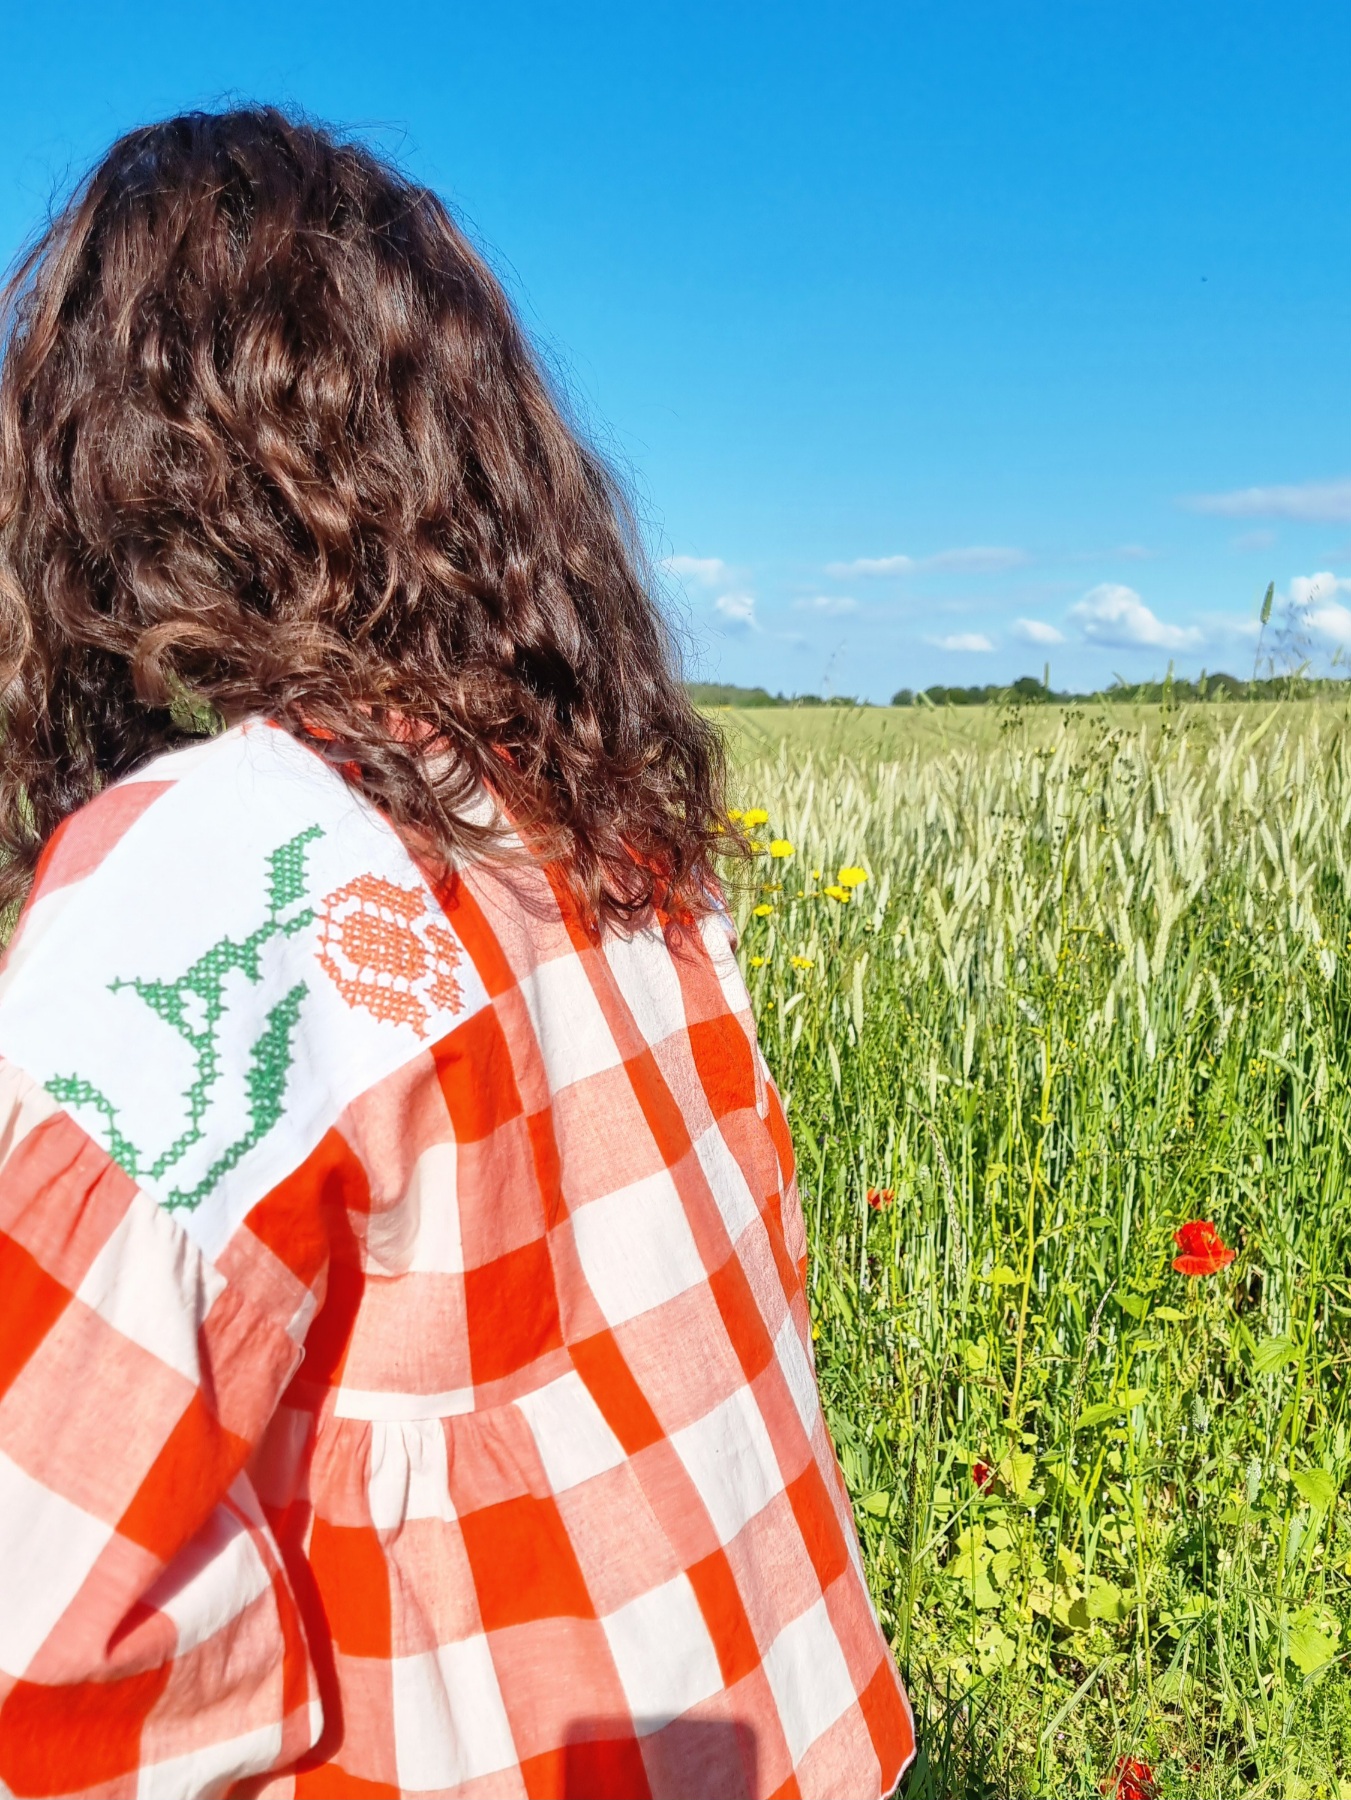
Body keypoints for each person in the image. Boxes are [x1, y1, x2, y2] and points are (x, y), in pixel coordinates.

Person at [0, 109, 915, 1800]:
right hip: (790, 1731)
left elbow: (46, 1629)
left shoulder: (204, 882)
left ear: (118, 468)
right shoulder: (617, 824)